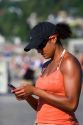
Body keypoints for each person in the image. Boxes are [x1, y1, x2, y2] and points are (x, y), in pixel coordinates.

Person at [12, 22, 82, 125]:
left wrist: (35, 91)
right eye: (36, 47)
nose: (38, 50)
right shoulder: (46, 65)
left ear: (53, 39)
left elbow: (72, 104)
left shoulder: (68, 62)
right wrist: (27, 95)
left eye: (40, 46)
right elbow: (41, 107)